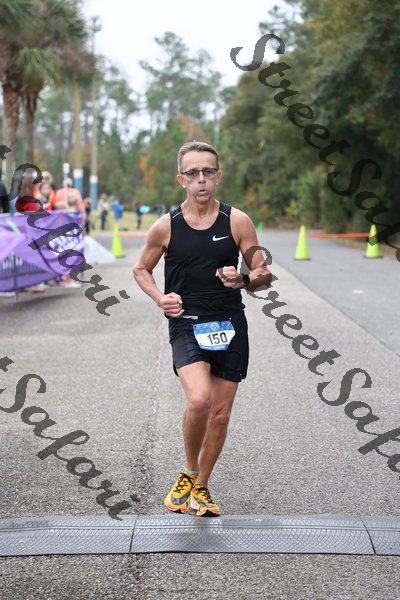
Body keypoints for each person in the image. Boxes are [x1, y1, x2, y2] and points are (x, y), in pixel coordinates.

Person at [133, 141, 272, 517]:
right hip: (187, 324)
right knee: (199, 401)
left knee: (220, 414)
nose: (201, 179)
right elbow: (141, 269)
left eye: (208, 171)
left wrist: (243, 279)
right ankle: (189, 470)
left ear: (218, 176)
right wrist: (160, 298)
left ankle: (202, 487)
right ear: (181, 180)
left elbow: (263, 273)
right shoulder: (166, 226)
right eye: (193, 173)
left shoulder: (237, 222)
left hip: (230, 324)